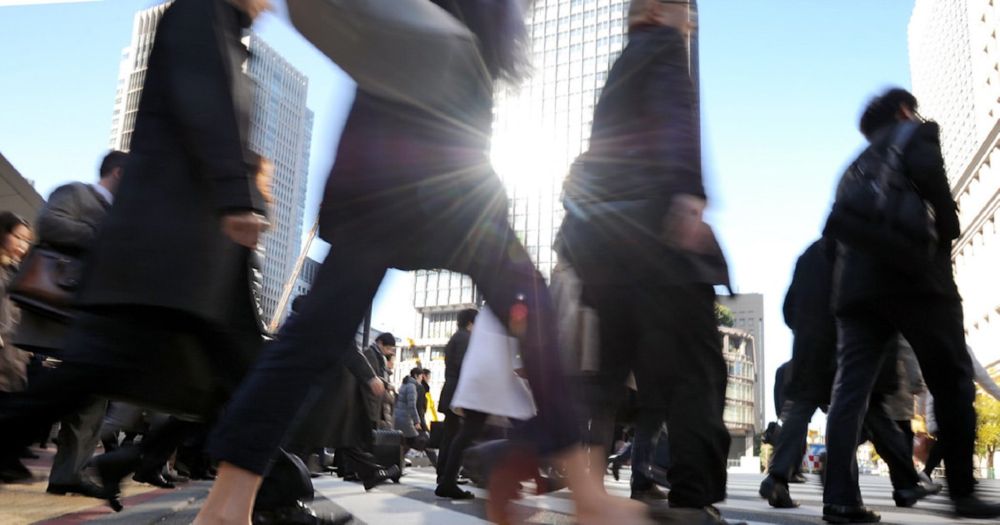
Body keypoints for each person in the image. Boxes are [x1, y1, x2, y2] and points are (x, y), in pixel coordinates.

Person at [196, 1, 647, 523]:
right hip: (441, 169)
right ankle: (580, 488)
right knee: (530, 307)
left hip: (390, 168)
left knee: (316, 331)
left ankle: (228, 501)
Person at [0, 0, 270, 509]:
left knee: (219, 380)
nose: (269, 4)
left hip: (188, 250)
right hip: (168, 245)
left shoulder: (225, 34)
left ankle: (130, 463)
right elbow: (206, 107)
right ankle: (269, 498)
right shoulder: (200, 14)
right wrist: (239, 198)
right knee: (230, 380)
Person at [556, 1, 737, 523]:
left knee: (610, 374)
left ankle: (577, 483)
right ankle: (693, 497)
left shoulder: (622, 65)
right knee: (696, 369)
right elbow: (675, 116)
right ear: (656, 11)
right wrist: (688, 193)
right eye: (682, 9)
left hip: (607, 248)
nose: (690, 19)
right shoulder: (663, 49)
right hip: (658, 237)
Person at [823, 87, 1000, 522]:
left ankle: (840, 498)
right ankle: (962, 493)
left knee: (851, 393)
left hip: (857, 291)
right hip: (915, 277)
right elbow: (936, 192)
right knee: (952, 381)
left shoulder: (852, 169)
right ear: (904, 110)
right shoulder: (913, 136)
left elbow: (833, 241)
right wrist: (946, 235)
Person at [759, 239, 938, 512]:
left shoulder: (810, 254)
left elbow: (788, 308)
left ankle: (777, 477)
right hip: (853, 343)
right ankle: (905, 481)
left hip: (810, 346)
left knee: (800, 410)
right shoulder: (865, 244)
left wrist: (805, 330)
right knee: (874, 410)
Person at [12, 151, 125, 498]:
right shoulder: (76, 193)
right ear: (119, 174)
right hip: (61, 306)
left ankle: (68, 473)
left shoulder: (120, 213)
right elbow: (50, 224)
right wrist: (102, 234)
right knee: (57, 391)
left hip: (90, 315)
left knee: (90, 398)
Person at [0, 212, 33, 483]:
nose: (23, 245)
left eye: (27, 241)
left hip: (12, 348)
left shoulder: (14, 270)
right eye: (18, 237)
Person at [362, 333, 396, 429]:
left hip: (376, 404)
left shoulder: (380, 357)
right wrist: (386, 384)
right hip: (369, 403)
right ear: (380, 343)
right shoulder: (370, 354)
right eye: (388, 348)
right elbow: (372, 375)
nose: (388, 351)